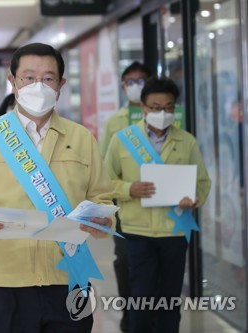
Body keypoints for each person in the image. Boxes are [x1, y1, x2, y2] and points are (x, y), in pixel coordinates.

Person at [0, 43, 115, 333]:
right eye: (28, 77)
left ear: (61, 84)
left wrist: (102, 221)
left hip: (69, 277)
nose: (39, 85)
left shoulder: (82, 138)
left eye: (48, 78)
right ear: (12, 82)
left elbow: (101, 198)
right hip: (6, 280)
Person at [104, 77, 211, 333]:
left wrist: (194, 199)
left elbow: (203, 182)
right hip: (137, 231)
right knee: (141, 298)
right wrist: (129, 189)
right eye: (154, 107)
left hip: (174, 230)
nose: (162, 113)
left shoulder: (187, 141)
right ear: (142, 107)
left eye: (169, 107)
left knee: (170, 300)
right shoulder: (122, 139)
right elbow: (104, 181)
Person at [99, 60, 152, 332]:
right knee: (127, 265)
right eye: (130, 83)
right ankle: (130, 320)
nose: (135, 87)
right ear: (122, 87)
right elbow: (104, 171)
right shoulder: (115, 123)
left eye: (141, 81)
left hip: (163, 213)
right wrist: (125, 190)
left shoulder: (172, 118)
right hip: (127, 210)